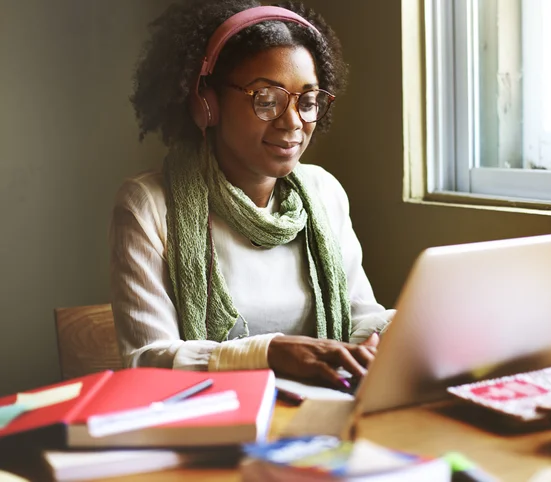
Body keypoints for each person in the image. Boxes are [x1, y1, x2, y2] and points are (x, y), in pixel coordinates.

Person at [109, 0, 395, 390]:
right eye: (266, 99)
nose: (292, 122)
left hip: (323, 412)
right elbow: (147, 360)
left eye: (307, 101)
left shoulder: (323, 192)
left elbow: (360, 320)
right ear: (206, 105)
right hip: (214, 426)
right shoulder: (148, 205)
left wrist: (404, 327)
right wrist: (268, 353)